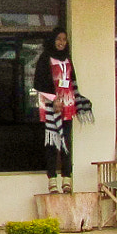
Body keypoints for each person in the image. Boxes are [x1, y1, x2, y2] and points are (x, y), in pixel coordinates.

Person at [32, 27, 83, 193]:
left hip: (67, 106)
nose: (61, 42)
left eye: (64, 40)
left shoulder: (67, 59)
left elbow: (72, 81)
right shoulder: (45, 58)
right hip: (50, 108)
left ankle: (67, 180)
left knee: (66, 142)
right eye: (58, 39)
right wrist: (54, 99)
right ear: (52, 40)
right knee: (52, 144)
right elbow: (38, 84)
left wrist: (79, 100)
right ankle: (52, 181)